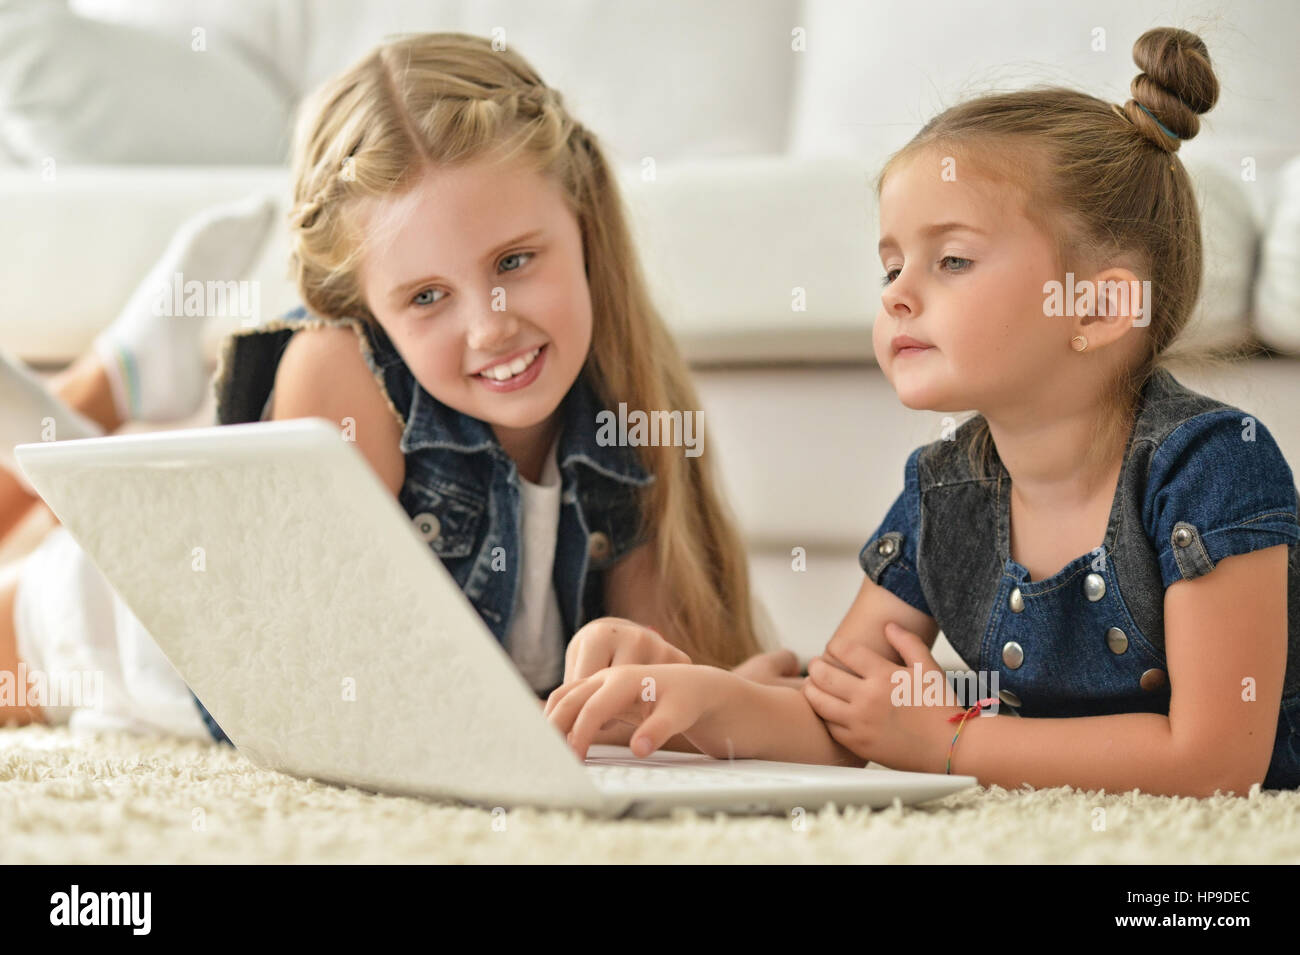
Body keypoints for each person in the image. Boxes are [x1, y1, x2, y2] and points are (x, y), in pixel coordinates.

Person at [545, 27, 1300, 797]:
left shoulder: (1211, 466)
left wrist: (952, 742)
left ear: (1101, 306)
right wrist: (695, 695)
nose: (897, 293)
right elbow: (846, 716)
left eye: (953, 260)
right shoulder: (943, 488)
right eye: (891, 265)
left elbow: (1213, 759)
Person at [0, 32, 795, 741]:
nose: (491, 327)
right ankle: (103, 402)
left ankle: (115, 393)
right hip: (123, 622)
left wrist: (690, 691)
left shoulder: (626, 420)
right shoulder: (342, 375)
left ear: (583, 220)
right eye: (426, 296)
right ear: (367, 311)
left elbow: (663, 701)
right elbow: (332, 701)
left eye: (514, 261)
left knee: (118, 477)